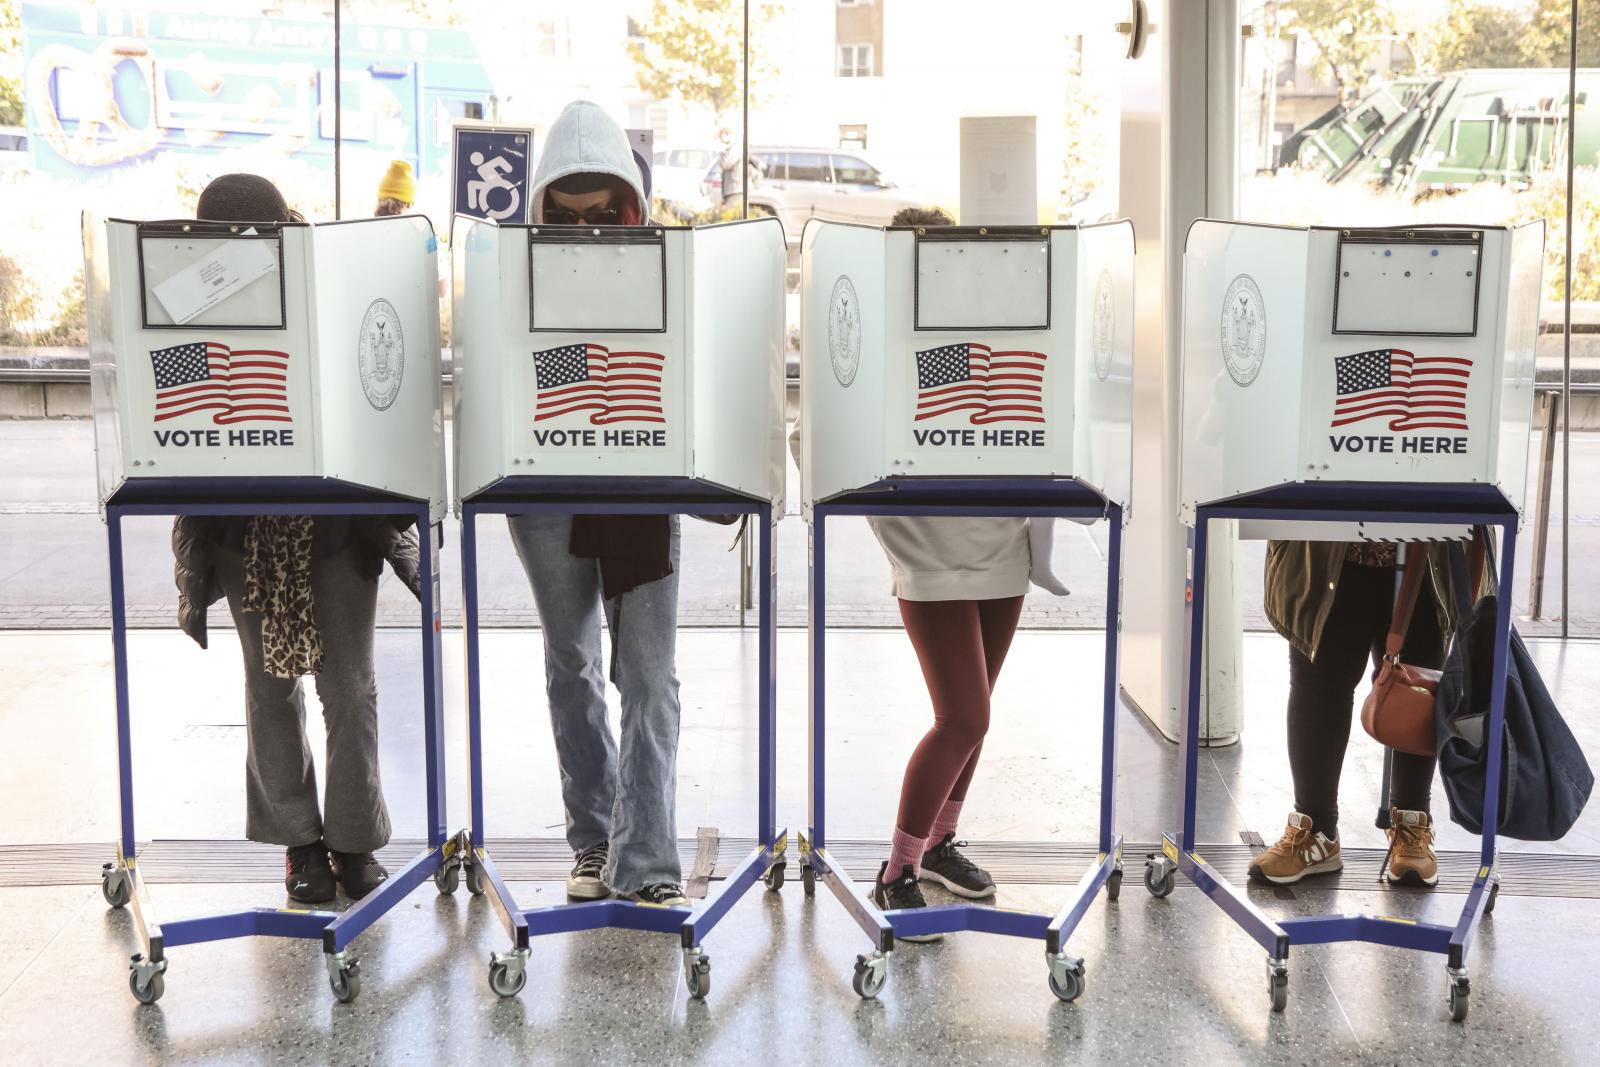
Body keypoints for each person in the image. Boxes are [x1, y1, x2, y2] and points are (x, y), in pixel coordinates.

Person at [173, 173, 423, 903]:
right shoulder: (186, 297)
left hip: (335, 520)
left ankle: (352, 839)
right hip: (240, 523)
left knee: (350, 687)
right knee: (269, 688)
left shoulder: (324, 285)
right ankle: (300, 842)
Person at [846, 206, 1070, 935]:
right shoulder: (887, 341)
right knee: (964, 715)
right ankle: (897, 867)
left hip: (1004, 541)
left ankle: (938, 844)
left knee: (977, 719)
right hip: (929, 549)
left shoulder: (1000, 326)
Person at [508, 100, 689, 908]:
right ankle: (592, 840)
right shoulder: (513, 269)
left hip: (639, 487)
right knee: (572, 664)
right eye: (566, 214)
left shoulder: (665, 267)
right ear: (542, 205)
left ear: (630, 206)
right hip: (546, 485)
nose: (584, 230)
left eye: (602, 213)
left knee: (648, 675)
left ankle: (646, 858)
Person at [1249, 540, 1471, 887]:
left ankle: (1411, 824)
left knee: (1418, 689)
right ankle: (1315, 830)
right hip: (1329, 541)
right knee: (1318, 683)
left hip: (1427, 545)